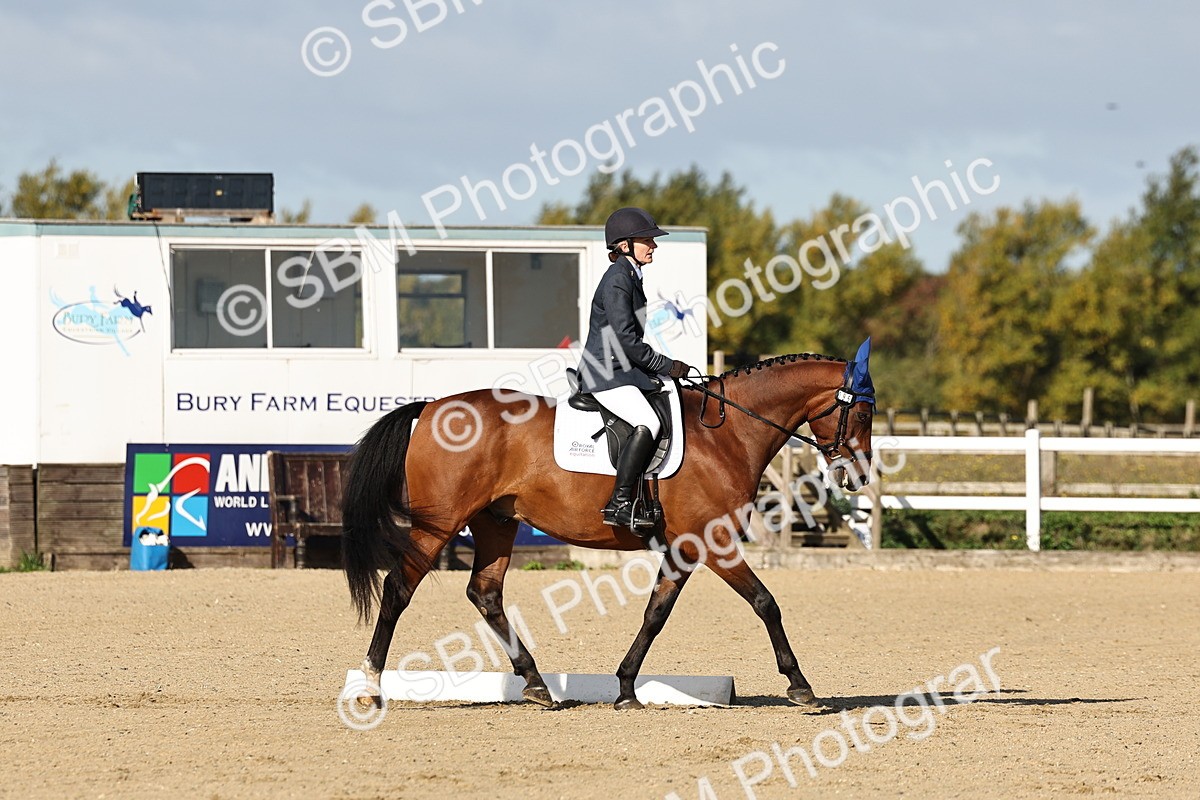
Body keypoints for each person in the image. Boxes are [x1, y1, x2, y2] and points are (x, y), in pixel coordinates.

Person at [577, 207, 693, 531]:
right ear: (625, 245)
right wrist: (666, 365)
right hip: (605, 372)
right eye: (647, 240)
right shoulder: (618, 279)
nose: (653, 246)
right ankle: (620, 502)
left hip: (619, 369)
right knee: (648, 421)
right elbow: (626, 340)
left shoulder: (630, 276)